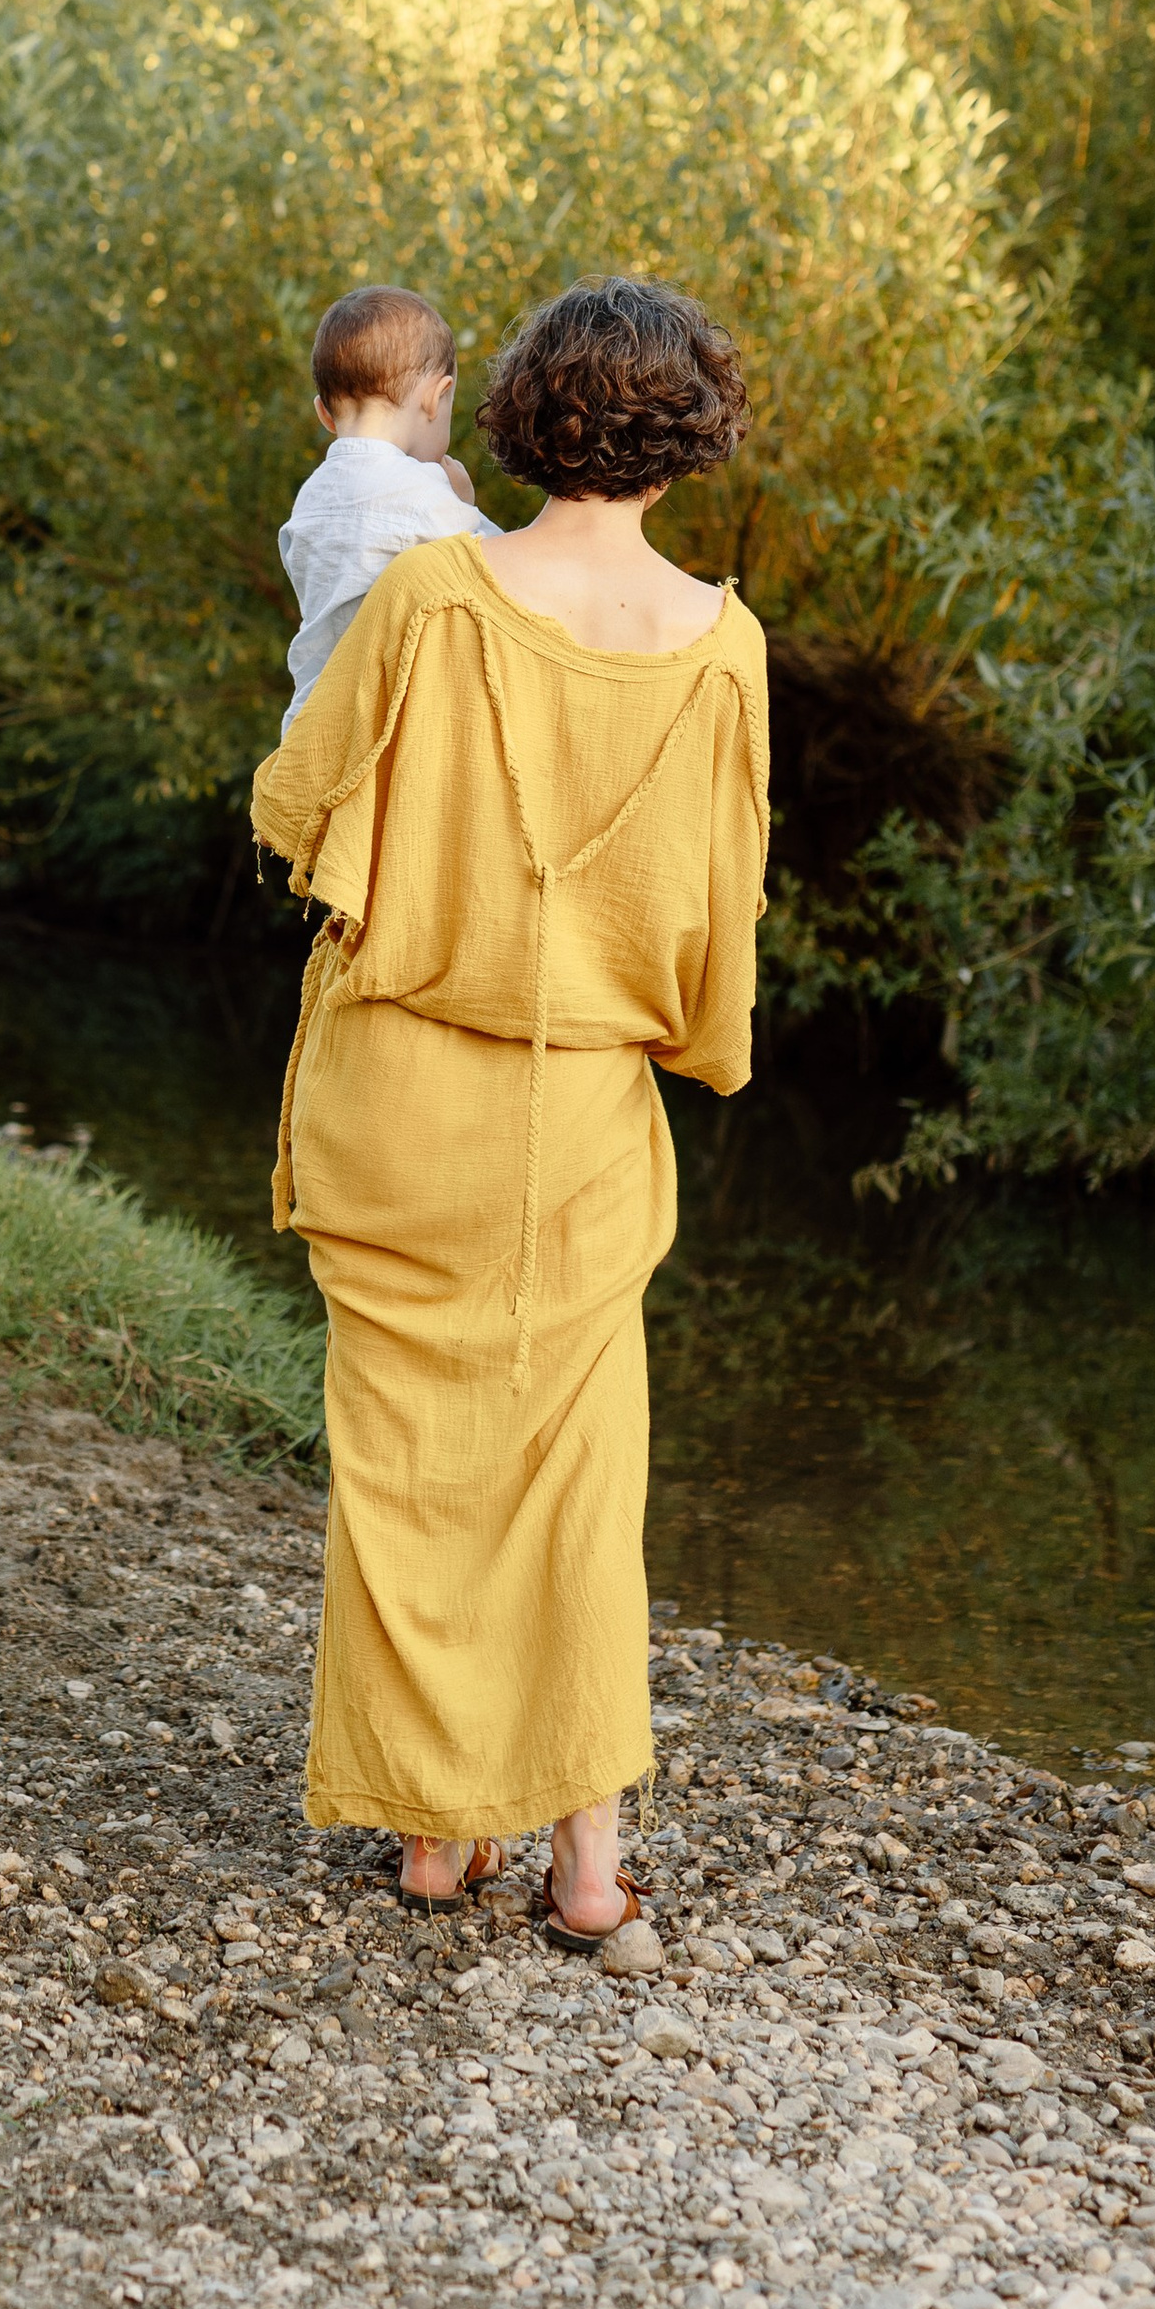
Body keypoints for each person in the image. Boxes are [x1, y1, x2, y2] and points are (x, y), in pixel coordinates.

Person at [251, 276, 768, 1940]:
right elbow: (718, 915)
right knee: (575, 1474)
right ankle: (588, 1865)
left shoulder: (430, 601)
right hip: (582, 1105)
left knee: (405, 1467)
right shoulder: (725, 650)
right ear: (685, 440)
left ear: (522, 416)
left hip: (402, 1086)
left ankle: (426, 1838)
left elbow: (293, 806)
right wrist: (690, 1043)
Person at [277, 284, 498, 731]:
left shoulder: (310, 498)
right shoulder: (420, 493)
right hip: (380, 723)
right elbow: (505, 571)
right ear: (436, 398)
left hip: (311, 718)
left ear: (324, 413)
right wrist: (464, 505)